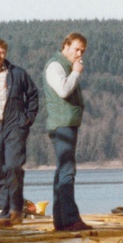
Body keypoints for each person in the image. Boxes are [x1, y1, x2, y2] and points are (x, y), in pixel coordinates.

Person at [0, 39, 39, 228]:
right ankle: (4, 212)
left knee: (13, 166)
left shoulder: (17, 74)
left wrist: (27, 119)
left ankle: (16, 209)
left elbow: (33, 94)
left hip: (14, 125)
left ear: (6, 53)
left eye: (2, 52)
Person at [44, 33, 90, 232]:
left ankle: (61, 220)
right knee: (67, 172)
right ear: (66, 46)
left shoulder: (63, 66)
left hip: (67, 124)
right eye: (76, 49)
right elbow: (63, 90)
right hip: (62, 125)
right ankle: (70, 219)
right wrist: (76, 73)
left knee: (62, 171)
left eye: (82, 51)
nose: (79, 54)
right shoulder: (55, 66)